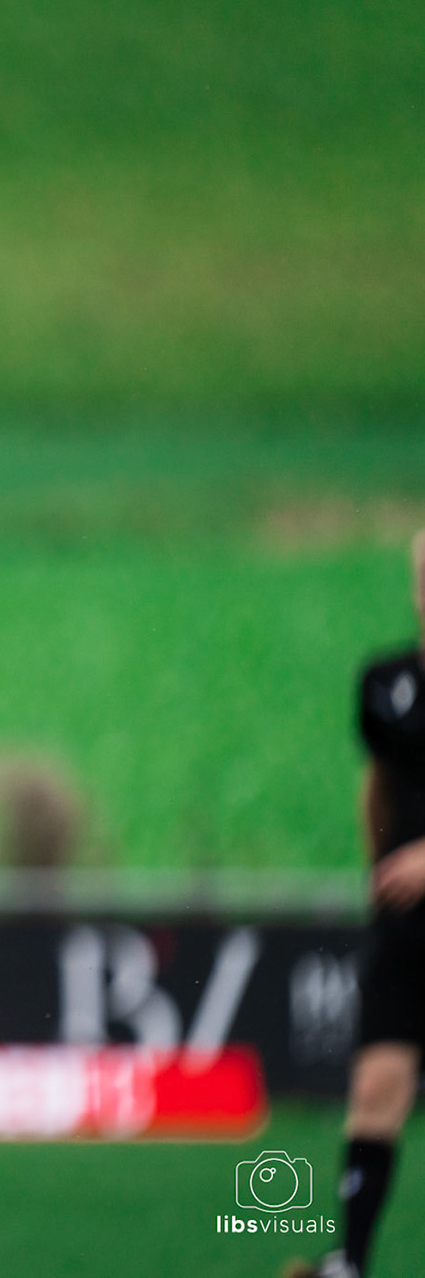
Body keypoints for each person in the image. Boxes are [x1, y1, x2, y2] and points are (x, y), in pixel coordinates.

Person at [291, 530, 425, 1278]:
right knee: (375, 1086)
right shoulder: (385, 680)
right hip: (406, 926)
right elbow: (377, 783)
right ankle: (352, 1263)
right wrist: (379, 862)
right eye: (422, 575)